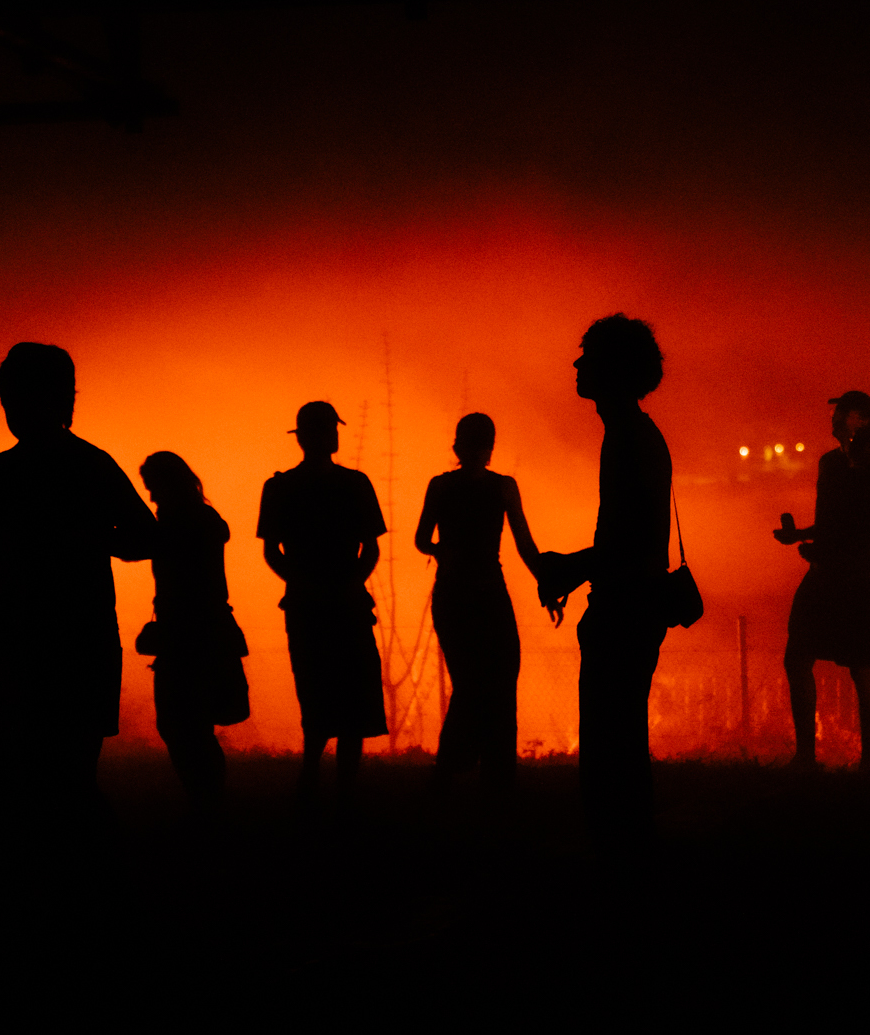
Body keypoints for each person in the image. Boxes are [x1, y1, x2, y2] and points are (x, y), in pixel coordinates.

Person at [0, 343, 157, 801]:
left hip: (63, 643)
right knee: (62, 779)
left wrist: (86, 538)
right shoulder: (76, 464)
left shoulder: (16, 471)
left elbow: (148, 537)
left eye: (17, 399)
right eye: (7, 402)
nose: (12, 411)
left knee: (55, 779)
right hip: (55, 641)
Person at [538, 314, 673, 859]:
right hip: (633, 606)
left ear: (612, 369)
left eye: (587, 354)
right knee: (620, 743)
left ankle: (617, 855)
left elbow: (627, 539)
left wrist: (571, 567)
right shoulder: (636, 434)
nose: (577, 364)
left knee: (608, 749)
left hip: (624, 609)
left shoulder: (626, 440)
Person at [257, 401, 387, 802]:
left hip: (312, 605)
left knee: (318, 691)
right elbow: (371, 550)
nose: (332, 435)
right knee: (348, 694)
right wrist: (349, 584)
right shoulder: (353, 483)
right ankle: (333, 784)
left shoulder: (281, 486)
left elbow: (272, 553)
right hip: (339, 605)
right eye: (329, 428)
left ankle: (315, 778)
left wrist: (304, 584)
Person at [414, 412, 547, 789]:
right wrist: (547, 582)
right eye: (472, 445)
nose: (474, 452)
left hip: (470, 594)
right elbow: (523, 544)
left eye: (478, 445)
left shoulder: (448, 487)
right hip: (475, 594)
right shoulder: (497, 487)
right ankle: (481, 771)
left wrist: (440, 551)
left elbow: (424, 540)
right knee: (481, 682)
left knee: (490, 681)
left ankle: (467, 769)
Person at [774, 390, 870, 770]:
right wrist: (805, 537)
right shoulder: (830, 462)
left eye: (842, 413)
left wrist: (815, 541)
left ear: (862, 419)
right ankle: (811, 757)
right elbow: (836, 521)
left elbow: (868, 521)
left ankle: (864, 762)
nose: (833, 419)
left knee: (858, 665)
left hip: (854, 573)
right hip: (833, 570)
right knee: (802, 658)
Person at [136, 451, 249, 818]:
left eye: (153, 488)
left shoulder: (176, 523)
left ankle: (206, 803)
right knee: (192, 725)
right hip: (206, 631)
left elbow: (138, 547)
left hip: (186, 633)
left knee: (181, 724)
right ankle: (209, 802)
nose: (151, 497)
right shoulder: (203, 520)